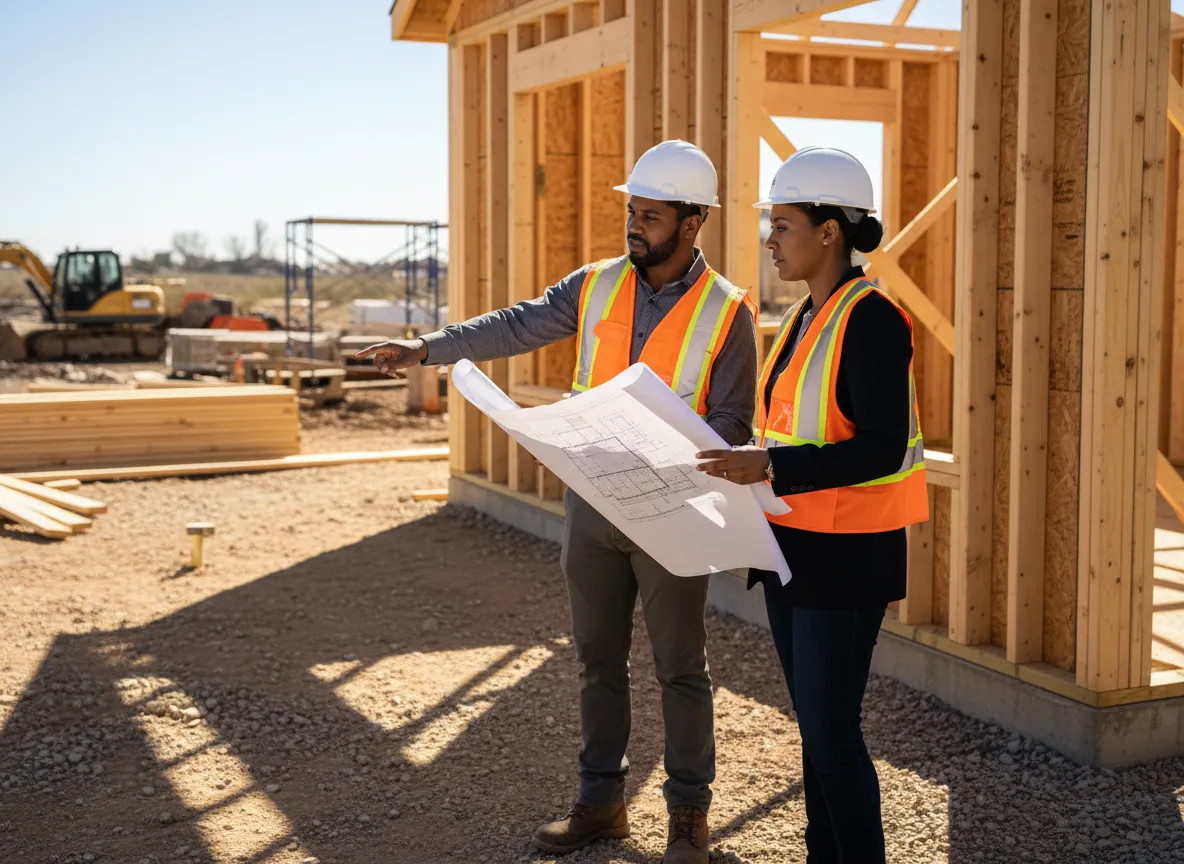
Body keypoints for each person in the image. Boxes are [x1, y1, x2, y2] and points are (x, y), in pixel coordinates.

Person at [357, 140, 758, 864]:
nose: (635, 226)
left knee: (680, 667)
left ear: (694, 222)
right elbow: (518, 323)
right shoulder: (598, 284)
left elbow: (735, 422)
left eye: (652, 215)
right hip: (594, 506)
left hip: (673, 514)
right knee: (596, 659)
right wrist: (429, 348)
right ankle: (601, 803)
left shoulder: (728, 311)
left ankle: (687, 817)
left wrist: (671, 445)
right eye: (631, 211)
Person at [695, 146, 929, 864]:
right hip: (793, 550)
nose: (770, 239)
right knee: (816, 728)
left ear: (831, 231)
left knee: (832, 732)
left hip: (848, 556)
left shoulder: (871, 320)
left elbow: (883, 447)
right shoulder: (802, 317)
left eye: (784, 224)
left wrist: (770, 465)